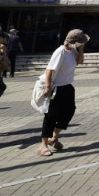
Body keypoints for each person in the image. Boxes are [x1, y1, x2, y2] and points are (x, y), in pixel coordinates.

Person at [38, 29, 88, 157]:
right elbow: (49, 70)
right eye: (80, 43)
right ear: (73, 42)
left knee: (69, 111)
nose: (81, 44)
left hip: (67, 87)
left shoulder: (73, 51)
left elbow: (80, 61)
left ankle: (55, 136)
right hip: (56, 88)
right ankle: (43, 145)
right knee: (51, 115)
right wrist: (48, 86)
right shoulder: (60, 52)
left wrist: (81, 49)